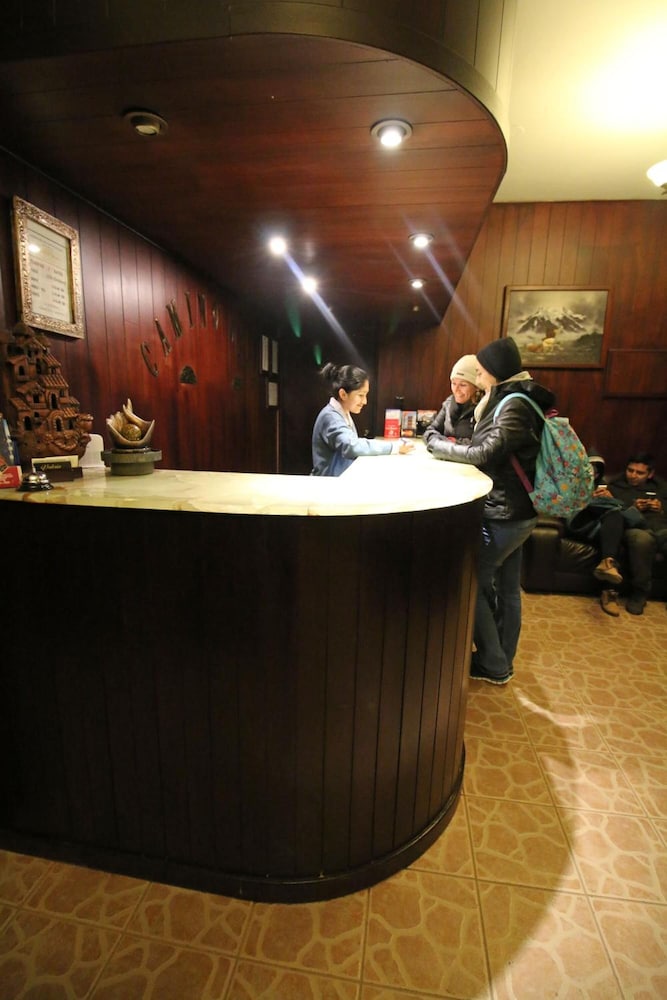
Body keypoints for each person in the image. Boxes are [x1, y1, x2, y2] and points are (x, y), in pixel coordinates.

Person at [426, 336, 555, 684]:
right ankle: (501, 661)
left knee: (471, 582)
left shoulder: (513, 405)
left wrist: (437, 445)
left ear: (495, 372)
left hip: (506, 514)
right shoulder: (516, 399)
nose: (478, 377)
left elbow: (483, 453)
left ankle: (494, 663)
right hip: (517, 512)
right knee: (508, 589)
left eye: (481, 372)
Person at [311, 362, 413, 477]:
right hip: (328, 484)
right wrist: (393, 447)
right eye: (361, 395)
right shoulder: (330, 417)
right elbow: (351, 446)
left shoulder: (342, 413)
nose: (365, 401)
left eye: (365, 395)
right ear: (343, 394)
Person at [600, 452, 667, 615]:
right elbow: (613, 515)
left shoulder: (661, 488)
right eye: (630, 470)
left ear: (650, 474)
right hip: (636, 528)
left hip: (660, 527)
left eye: (640, 472)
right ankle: (639, 593)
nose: (633, 475)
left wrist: (662, 508)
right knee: (641, 540)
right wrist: (633, 507)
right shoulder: (615, 486)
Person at [565, 452, 629, 617]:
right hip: (578, 524)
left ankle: (608, 567)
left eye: (595, 471)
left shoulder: (605, 488)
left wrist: (609, 498)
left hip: (599, 529)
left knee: (614, 525)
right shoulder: (569, 484)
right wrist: (587, 499)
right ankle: (609, 577)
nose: (591, 474)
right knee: (614, 516)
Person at [423, 354, 482, 447]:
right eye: (454, 383)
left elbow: (481, 445)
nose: (456, 390)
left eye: (463, 385)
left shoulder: (483, 408)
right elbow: (430, 432)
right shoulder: (449, 403)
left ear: (476, 387)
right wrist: (447, 442)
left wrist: (453, 443)